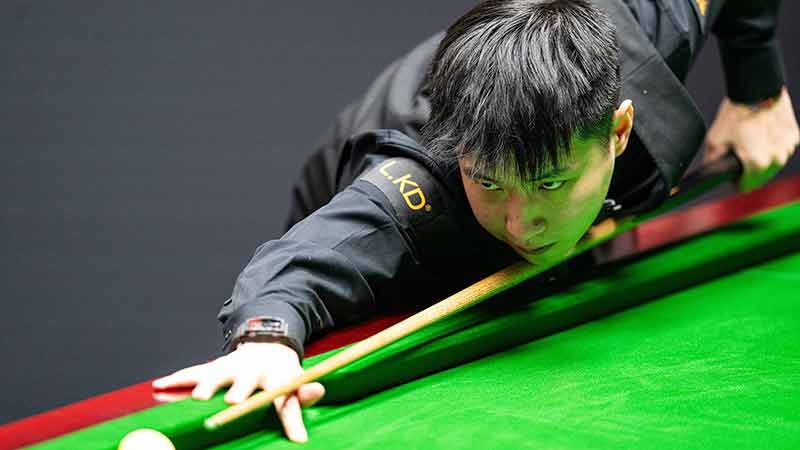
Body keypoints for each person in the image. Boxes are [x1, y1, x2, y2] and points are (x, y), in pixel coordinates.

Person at [153, 0, 799, 443]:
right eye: (491, 182)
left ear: (620, 130)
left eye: (549, 184)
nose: (521, 223)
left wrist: (758, 89)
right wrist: (267, 336)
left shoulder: (652, 26)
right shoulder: (418, 190)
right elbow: (306, 263)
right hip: (387, 230)